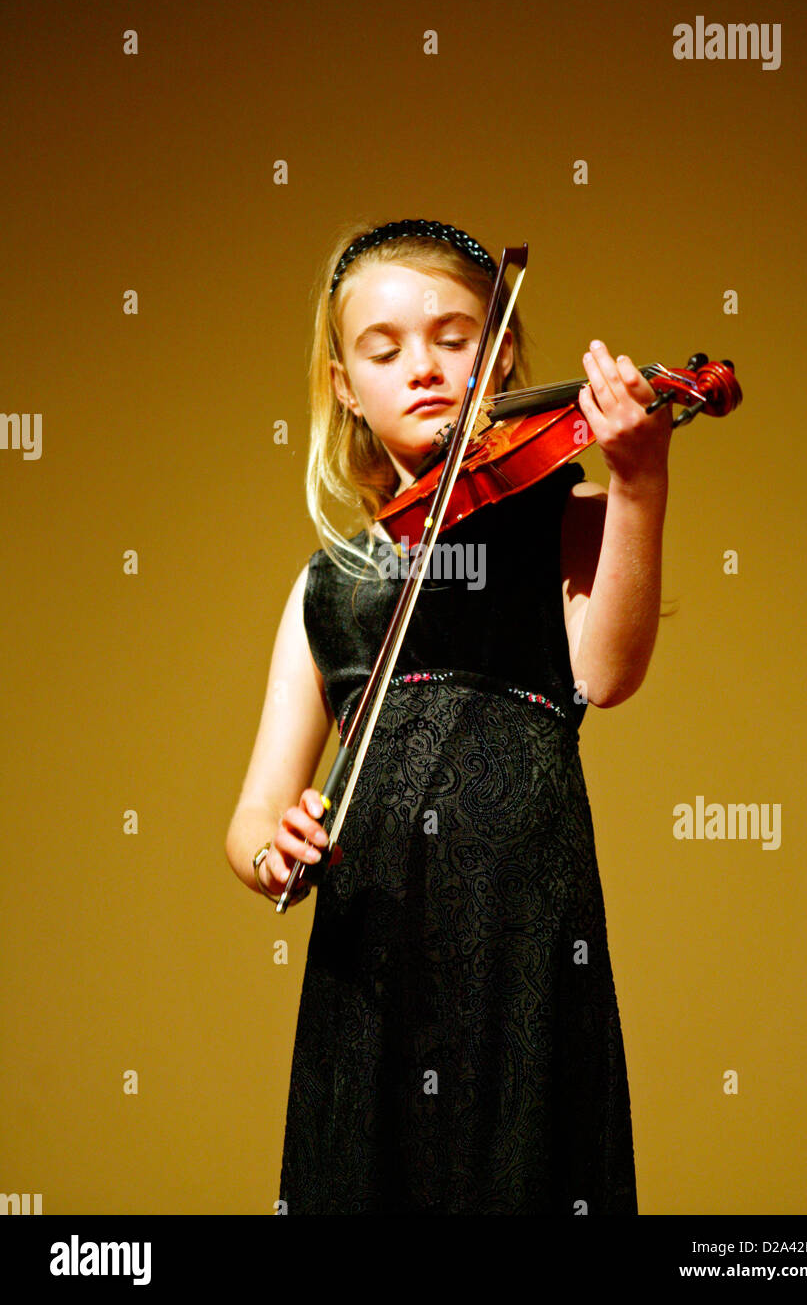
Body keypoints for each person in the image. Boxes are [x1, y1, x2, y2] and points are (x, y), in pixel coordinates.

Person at [224, 218, 673, 1215]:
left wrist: (640, 483)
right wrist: (275, 846)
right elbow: (254, 815)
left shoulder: (564, 516)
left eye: (453, 337)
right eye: (383, 351)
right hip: (373, 952)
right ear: (344, 384)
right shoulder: (331, 584)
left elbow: (607, 671)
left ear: (502, 352)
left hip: (525, 929)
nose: (421, 367)